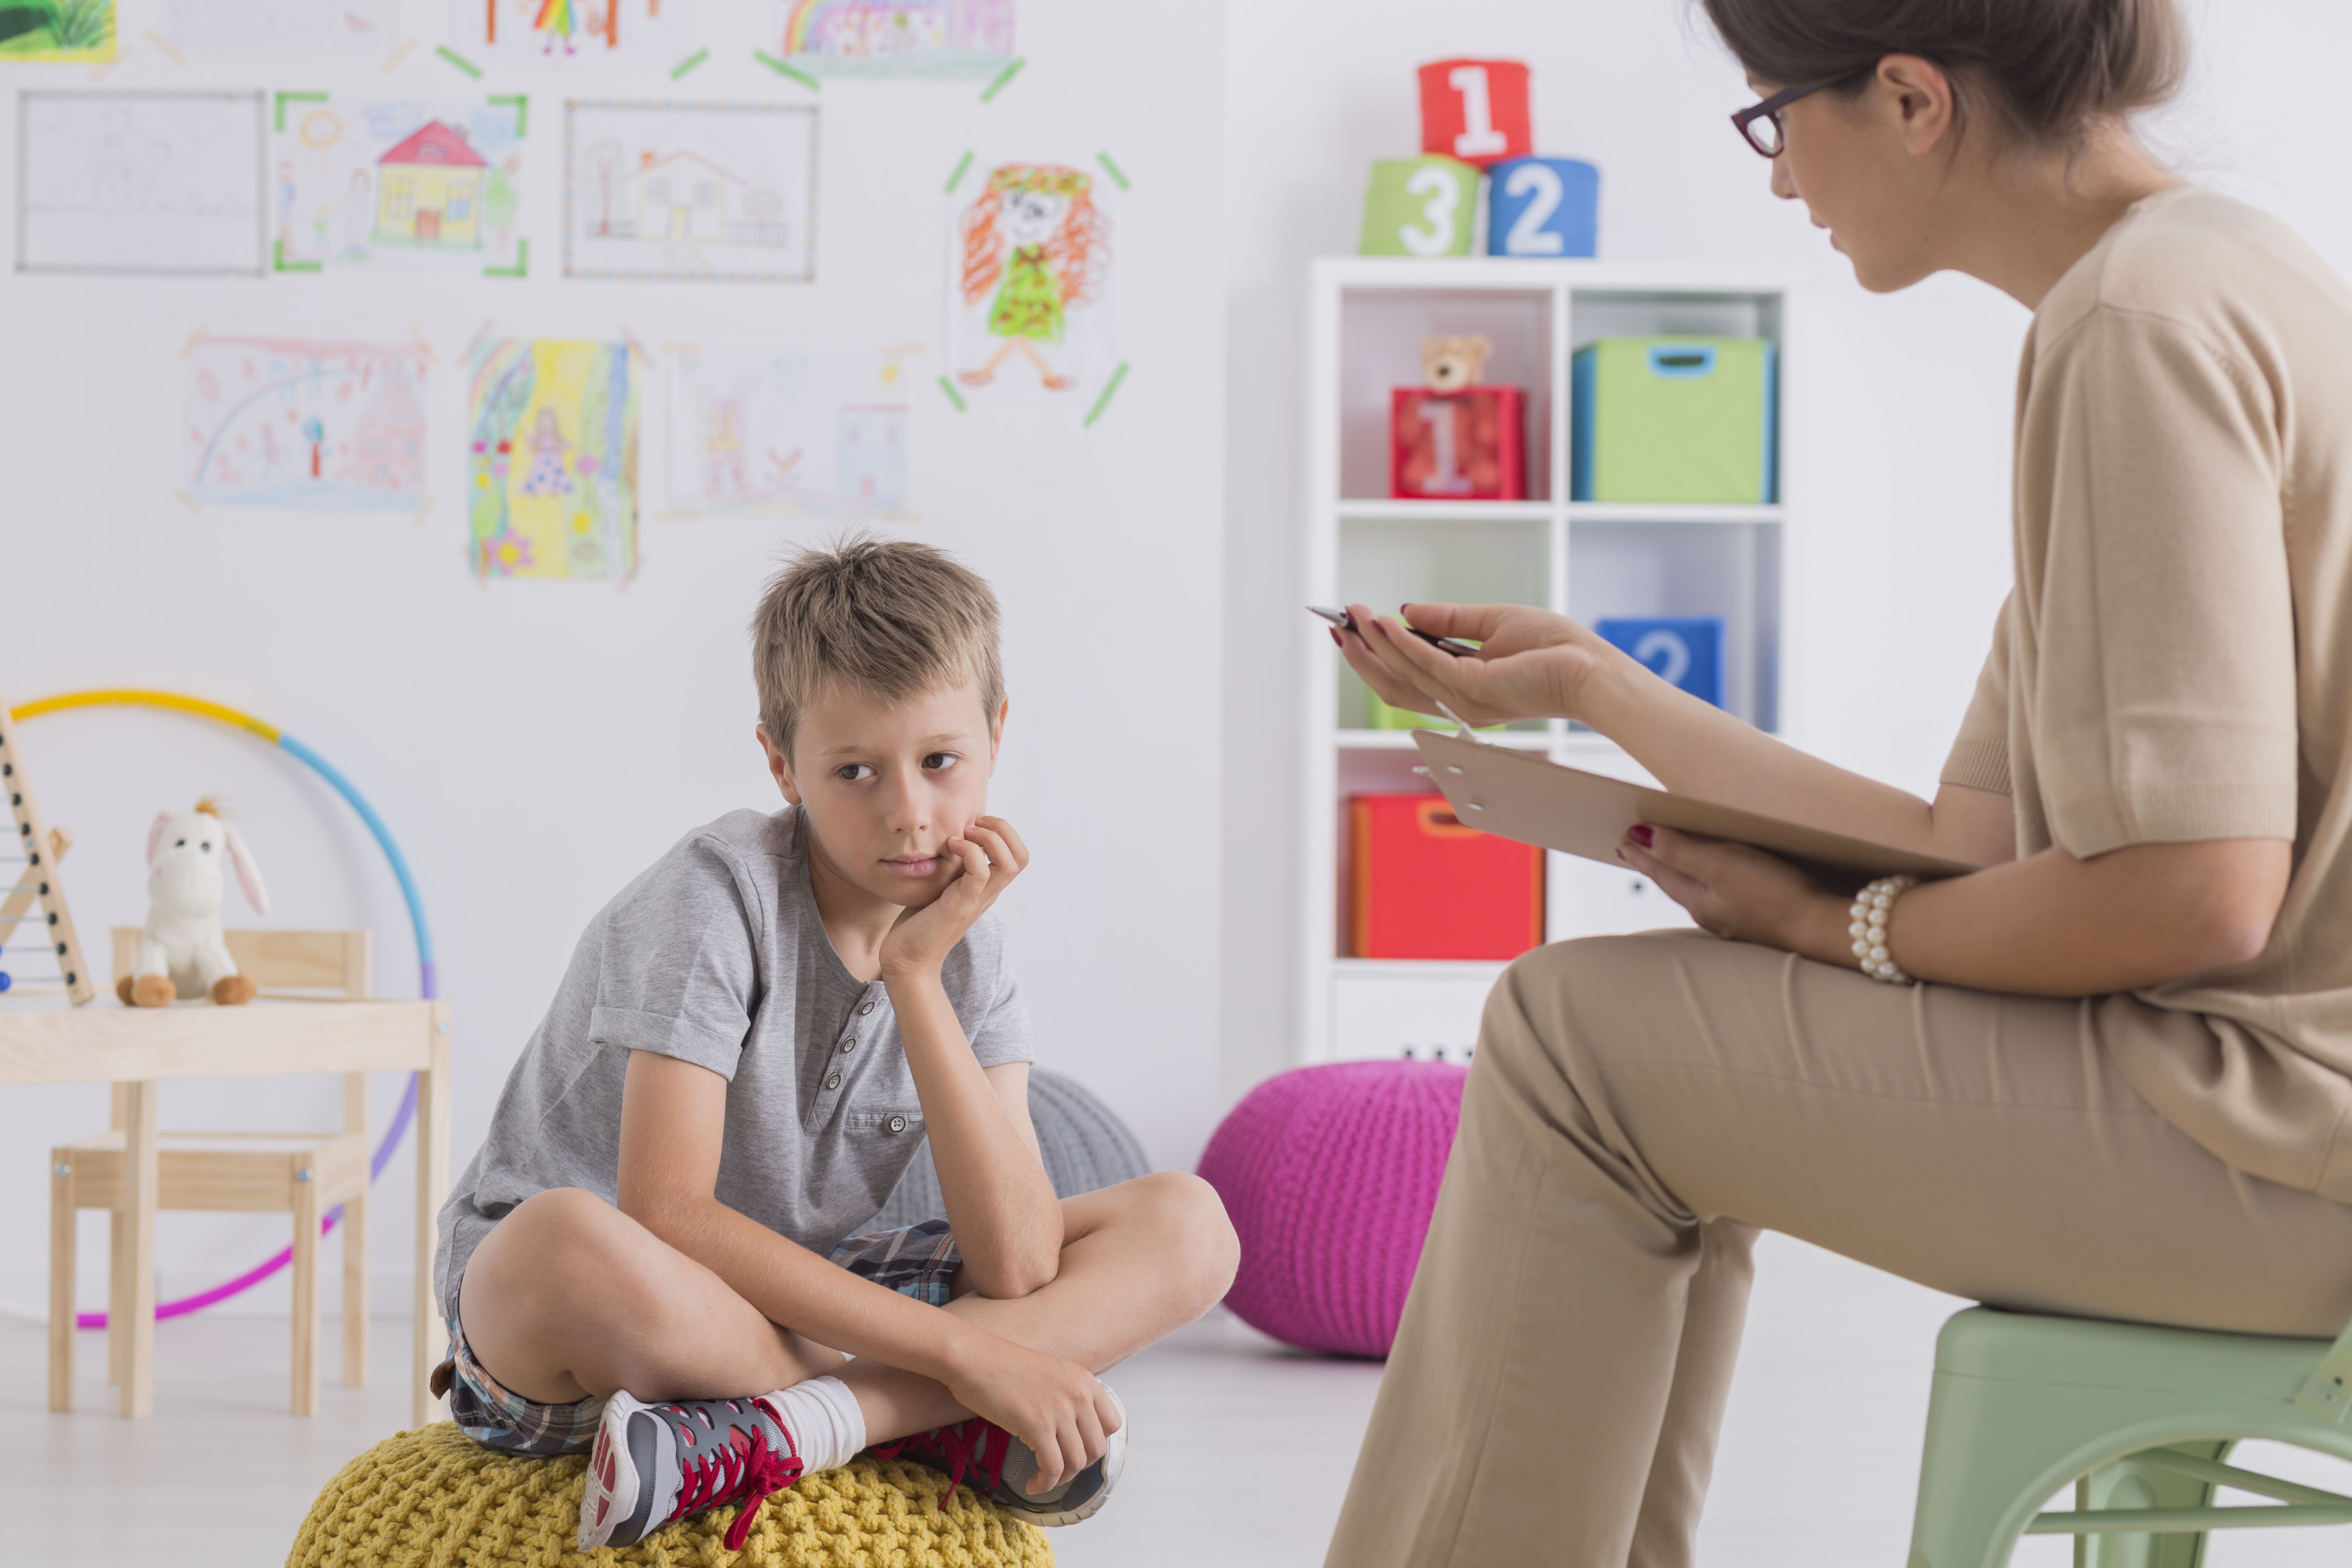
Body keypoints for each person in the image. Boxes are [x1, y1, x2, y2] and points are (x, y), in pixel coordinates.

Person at [1324, 2, 2352, 1563]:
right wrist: (1601, 692)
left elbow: (2194, 892)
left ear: (1908, 98)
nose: (1775, 175)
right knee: (1624, 1051)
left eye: (1770, 118)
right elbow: (1972, 841)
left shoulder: (2130, 328)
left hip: (2280, 1149)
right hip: (2282, 1120)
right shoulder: (2213, 272)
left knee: (1573, 1041)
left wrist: (1829, 934)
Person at [432, 535, 1238, 1553]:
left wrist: (915, 977)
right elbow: (666, 1211)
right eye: (854, 770)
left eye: (941, 762)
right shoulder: (714, 897)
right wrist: (970, 1361)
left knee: (1190, 1223)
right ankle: (926, 1418)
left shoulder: (970, 949)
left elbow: (1021, 1258)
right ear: (781, 761)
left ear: (996, 734)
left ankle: (811, 1424)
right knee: (562, 1236)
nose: (909, 814)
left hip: (804, 1309)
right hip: (602, 1313)